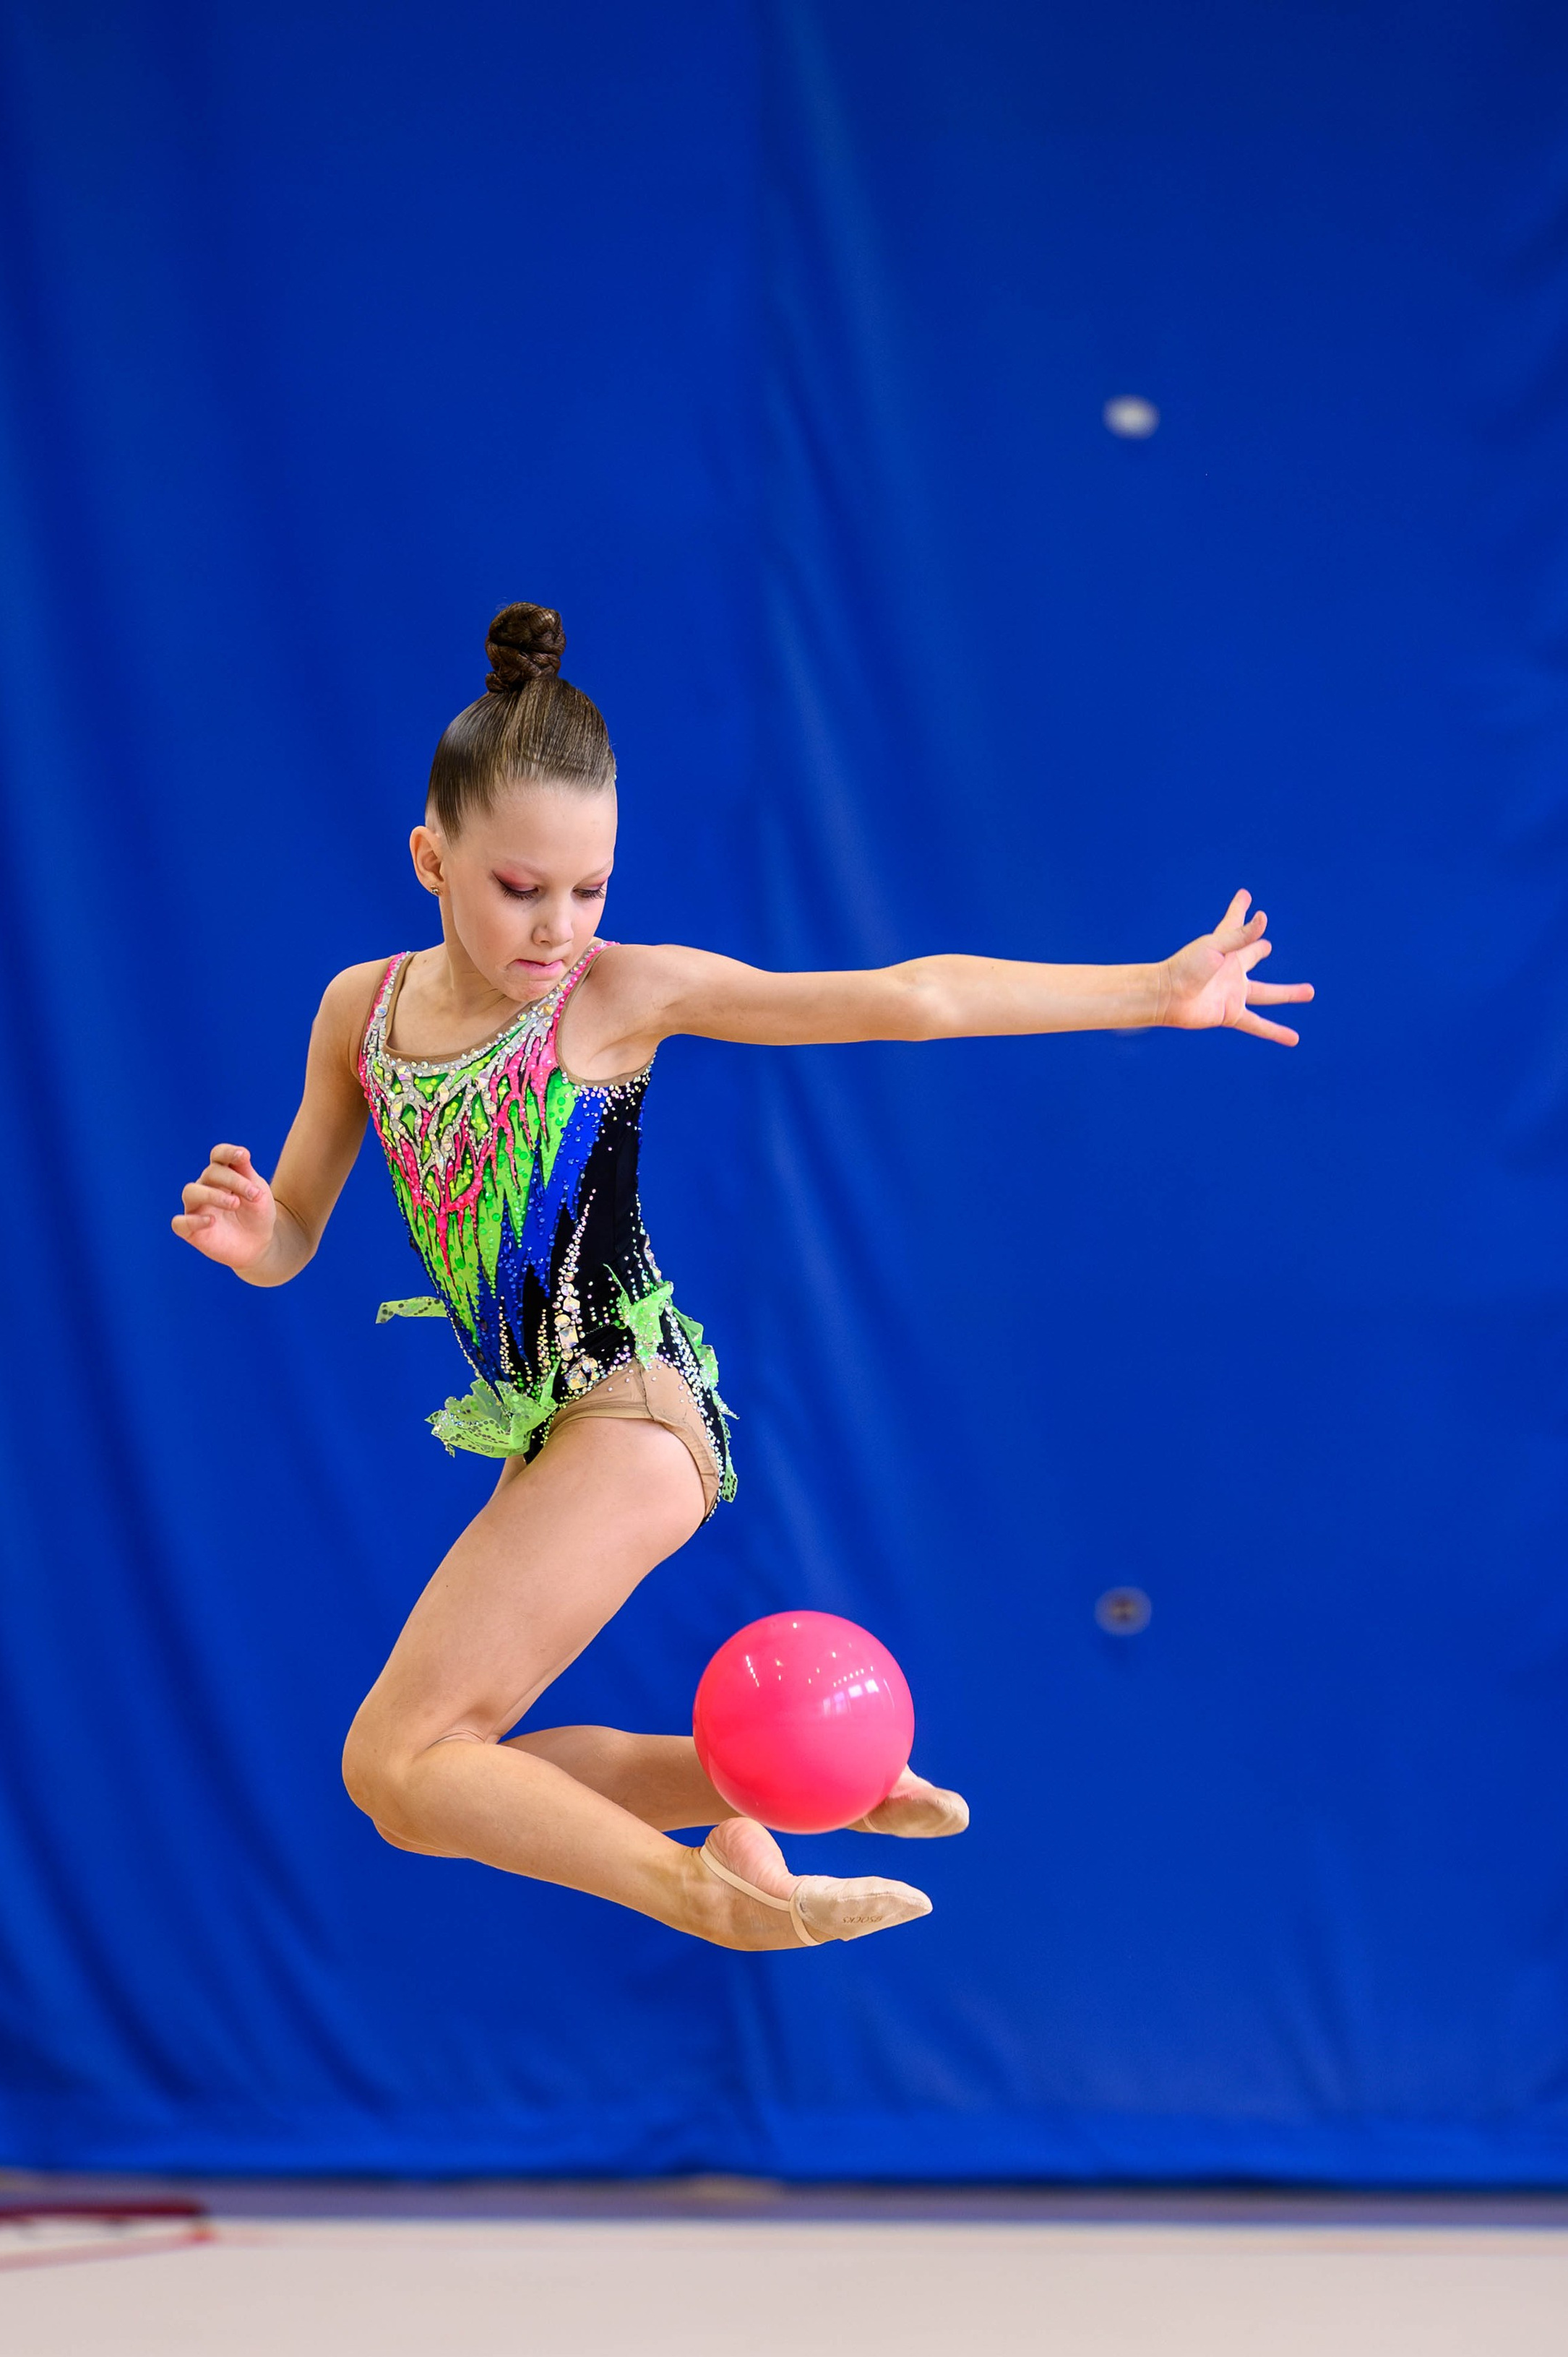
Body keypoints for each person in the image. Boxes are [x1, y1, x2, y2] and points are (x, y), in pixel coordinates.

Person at [173, 604, 1311, 1952]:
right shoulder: (357, 1012)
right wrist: (262, 1242)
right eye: (519, 888)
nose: (558, 925)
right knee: (430, 1781)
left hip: (633, 1411)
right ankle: (788, 1783)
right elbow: (299, 1223)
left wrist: (1146, 991)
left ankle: (715, 1894)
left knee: (398, 1759)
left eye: (590, 889)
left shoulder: (614, 997)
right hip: (551, 1427)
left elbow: (909, 995)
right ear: (432, 857)